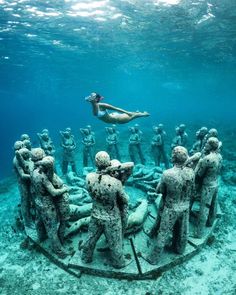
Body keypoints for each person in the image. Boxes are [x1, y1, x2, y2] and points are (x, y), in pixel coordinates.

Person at [145, 146, 195, 265]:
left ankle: (154, 258)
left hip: (171, 208)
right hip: (185, 206)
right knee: (183, 230)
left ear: (173, 158)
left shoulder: (167, 174)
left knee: (163, 232)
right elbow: (192, 190)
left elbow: (159, 190)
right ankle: (179, 249)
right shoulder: (191, 172)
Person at [81, 151, 128, 268]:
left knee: (90, 239)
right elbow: (124, 200)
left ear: (95, 162)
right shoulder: (115, 182)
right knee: (116, 243)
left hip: (96, 213)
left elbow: (90, 191)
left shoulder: (89, 177)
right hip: (112, 217)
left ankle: (86, 258)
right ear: (109, 162)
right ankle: (119, 263)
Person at [194, 137, 222, 238]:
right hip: (215, 182)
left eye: (207, 144)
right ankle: (210, 222)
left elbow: (200, 174)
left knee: (204, 208)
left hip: (207, 186)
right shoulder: (219, 156)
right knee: (213, 206)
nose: (205, 145)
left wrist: (200, 162)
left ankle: (199, 233)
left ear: (210, 145)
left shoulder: (207, 159)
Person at [85, 92, 150, 124]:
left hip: (118, 119)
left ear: (96, 99)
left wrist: (128, 112)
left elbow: (116, 108)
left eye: (92, 97)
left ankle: (144, 114)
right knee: (133, 114)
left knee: (135, 115)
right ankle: (137, 112)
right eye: (90, 96)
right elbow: (87, 99)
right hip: (113, 116)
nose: (90, 97)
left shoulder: (102, 105)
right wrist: (92, 97)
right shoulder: (94, 104)